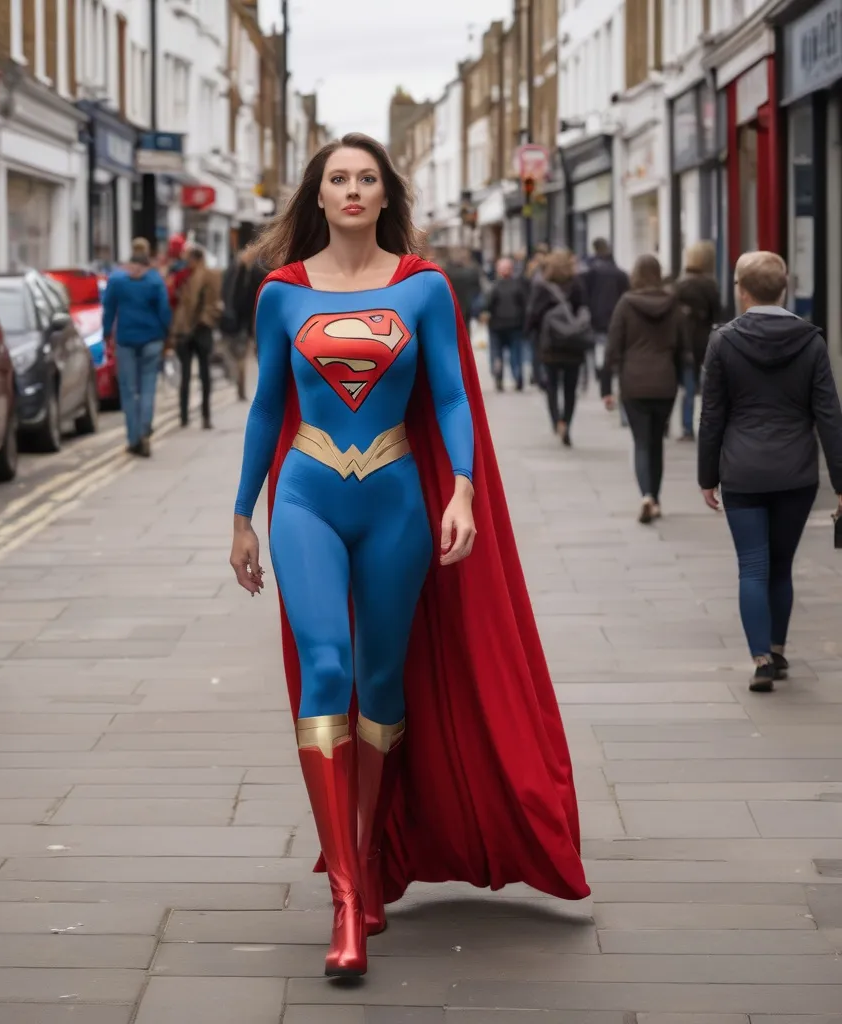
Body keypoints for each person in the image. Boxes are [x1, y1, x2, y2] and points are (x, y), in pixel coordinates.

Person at [227, 132, 588, 981]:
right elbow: (262, 410)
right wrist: (242, 515)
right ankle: (348, 898)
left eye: (367, 179)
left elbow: (454, 392)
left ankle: (369, 855)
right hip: (308, 495)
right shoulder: (279, 294)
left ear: (386, 194)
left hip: (396, 502)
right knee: (327, 671)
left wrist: (461, 490)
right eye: (338, 178)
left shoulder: (423, 287)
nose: (352, 190)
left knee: (381, 684)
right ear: (317, 195)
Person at [698, 250, 842, 693]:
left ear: (741, 291)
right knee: (781, 567)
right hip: (796, 474)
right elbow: (829, 415)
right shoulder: (811, 342)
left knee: (752, 568)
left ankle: (761, 659)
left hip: (742, 472)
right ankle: (778, 648)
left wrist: (707, 476)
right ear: (785, 288)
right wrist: (841, 482)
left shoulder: (723, 342)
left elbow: (713, 415)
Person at [601, 254, 690, 524]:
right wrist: (684, 380)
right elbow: (684, 347)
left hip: (634, 382)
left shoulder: (626, 304)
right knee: (656, 443)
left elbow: (612, 347)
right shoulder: (673, 305)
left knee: (641, 441)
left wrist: (606, 386)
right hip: (665, 383)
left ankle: (646, 496)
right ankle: (657, 499)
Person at [101, 237, 172, 457]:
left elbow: (109, 310)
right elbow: (164, 311)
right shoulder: (154, 280)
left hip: (126, 341)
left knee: (129, 391)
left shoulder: (117, 281)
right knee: (148, 388)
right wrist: (166, 334)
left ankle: (133, 439)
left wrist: (106, 335)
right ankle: (144, 431)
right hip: (152, 339)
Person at [525, 249, 590, 446]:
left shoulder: (542, 286)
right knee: (570, 389)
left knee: (552, 386)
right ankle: (567, 422)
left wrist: (529, 333)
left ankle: (556, 421)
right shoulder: (577, 284)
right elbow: (584, 310)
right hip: (573, 346)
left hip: (550, 345)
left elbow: (533, 314)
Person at [675, 240, 722, 441]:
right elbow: (717, 316)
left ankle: (686, 427)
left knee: (687, 386)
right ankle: (707, 425)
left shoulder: (679, 285)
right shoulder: (710, 286)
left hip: (683, 343)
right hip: (703, 342)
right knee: (707, 386)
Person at [171, 246, 222, 429]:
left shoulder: (210, 275)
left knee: (204, 374)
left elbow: (213, 302)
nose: (187, 262)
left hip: (201, 329)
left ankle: (206, 416)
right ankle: (184, 417)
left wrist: (203, 321)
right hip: (184, 330)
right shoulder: (182, 276)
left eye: (190, 259)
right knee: (185, 375)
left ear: (198, 259)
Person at [581, 238, 629, 391]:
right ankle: (608, 369)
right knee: (612, 342)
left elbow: (585, 294)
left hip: (597, 313)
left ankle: (601, 370)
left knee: (600, 345)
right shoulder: (619, 273)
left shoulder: (590, 271)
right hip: (615, 313)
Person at [220, 245, 267, 401]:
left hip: (248, 321)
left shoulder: (256, 273)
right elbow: (227, 292)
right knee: (232, 353)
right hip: (233, 319)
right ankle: (236, 380)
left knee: (242, 354)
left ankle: (240, 384)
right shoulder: (233, 271)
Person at [482, 256, 528, 391]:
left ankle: (498, 375)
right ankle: (518, 375)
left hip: (497, 325)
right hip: (515, 324)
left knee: (497, 353)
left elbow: (488, 305)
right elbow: (525, 305)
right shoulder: (518, 286)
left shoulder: (494, 286)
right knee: (516, 352)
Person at [443, 246, 482, 334]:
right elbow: (477, 287)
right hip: (466, 307)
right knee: (465, 331)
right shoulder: (469, 273)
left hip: (450, 307)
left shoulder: (447, 273)